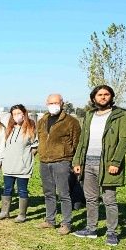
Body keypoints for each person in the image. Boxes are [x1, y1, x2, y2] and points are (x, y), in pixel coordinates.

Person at [72, 85, 126, 246]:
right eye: (100, 95)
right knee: (90, 198)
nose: (103, 97)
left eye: (106, 94)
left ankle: (111, 232)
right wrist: (77, 161)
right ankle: (91, 229)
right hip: (88, 161)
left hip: (107, 163)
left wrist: (115, 162)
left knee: (109, 199)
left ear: (111, 97)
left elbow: (125, 140)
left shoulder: (120, 115)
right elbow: (82, 141)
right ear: (94, 98)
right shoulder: (90, 115)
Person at [37, 94, 81, 234]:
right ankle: (50, 220)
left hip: (62, 161)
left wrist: (75, 162)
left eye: (56, 102)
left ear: (62, 103)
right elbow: (40, 138)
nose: (53, 105)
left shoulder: (71, 121)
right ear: (46, 103)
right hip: (45, 161)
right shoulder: (42, 120)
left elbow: (77, 143)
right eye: (51, 103)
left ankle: (66, 223)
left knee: (64, 193)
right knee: (48, 192)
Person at [0, 105, 38, 222]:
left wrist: (25, 158)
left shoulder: (30, 129)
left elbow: (35, 147)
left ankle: (22, 214)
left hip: (22, 167)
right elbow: (4, 146)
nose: (16, 116)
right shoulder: (10, 129)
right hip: (9, 165)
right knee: (7, 189)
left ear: (24, 114)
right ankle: (5, 212)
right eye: (14, 114)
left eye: (19, 113)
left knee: (22, 190)